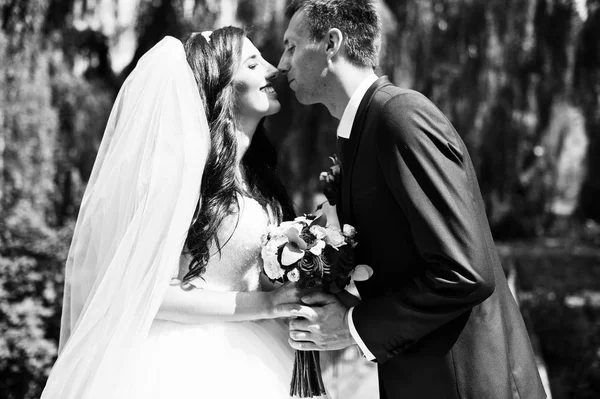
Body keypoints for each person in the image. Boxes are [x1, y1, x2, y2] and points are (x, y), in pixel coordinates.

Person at [277, 1, 546, 398]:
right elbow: (402, 261)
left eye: (291, 47)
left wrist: (353, 326)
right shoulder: (362, 132)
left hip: (465, 380)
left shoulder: (401, 117)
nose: (282, 64)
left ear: (332, 43)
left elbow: (465, 271)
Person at [41, 27, 303, 398]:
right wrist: (267, 304)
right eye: (253, 63)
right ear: (222, 83)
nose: (274, 69)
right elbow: (146, 292)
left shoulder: (258, 177)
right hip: (181, 366)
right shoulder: (184, 172)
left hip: (256, 352)